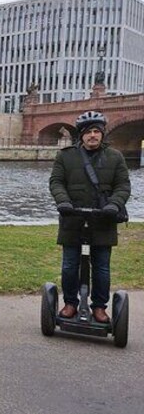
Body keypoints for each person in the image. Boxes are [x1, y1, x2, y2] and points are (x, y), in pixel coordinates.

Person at [49, 110, 130, 323]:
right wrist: (63, 202)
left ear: (102, 134)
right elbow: (56, 182)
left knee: (102, 266)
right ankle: (70, 303)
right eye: (88, 132)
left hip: (103, 219)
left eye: (96, 131)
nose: (92, 135)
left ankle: (99, 307)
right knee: (69, 265)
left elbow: (123, 186)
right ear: (81, 135)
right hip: (72, 218)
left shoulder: (115, 157)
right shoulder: (65, 156)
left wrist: (114, 204)